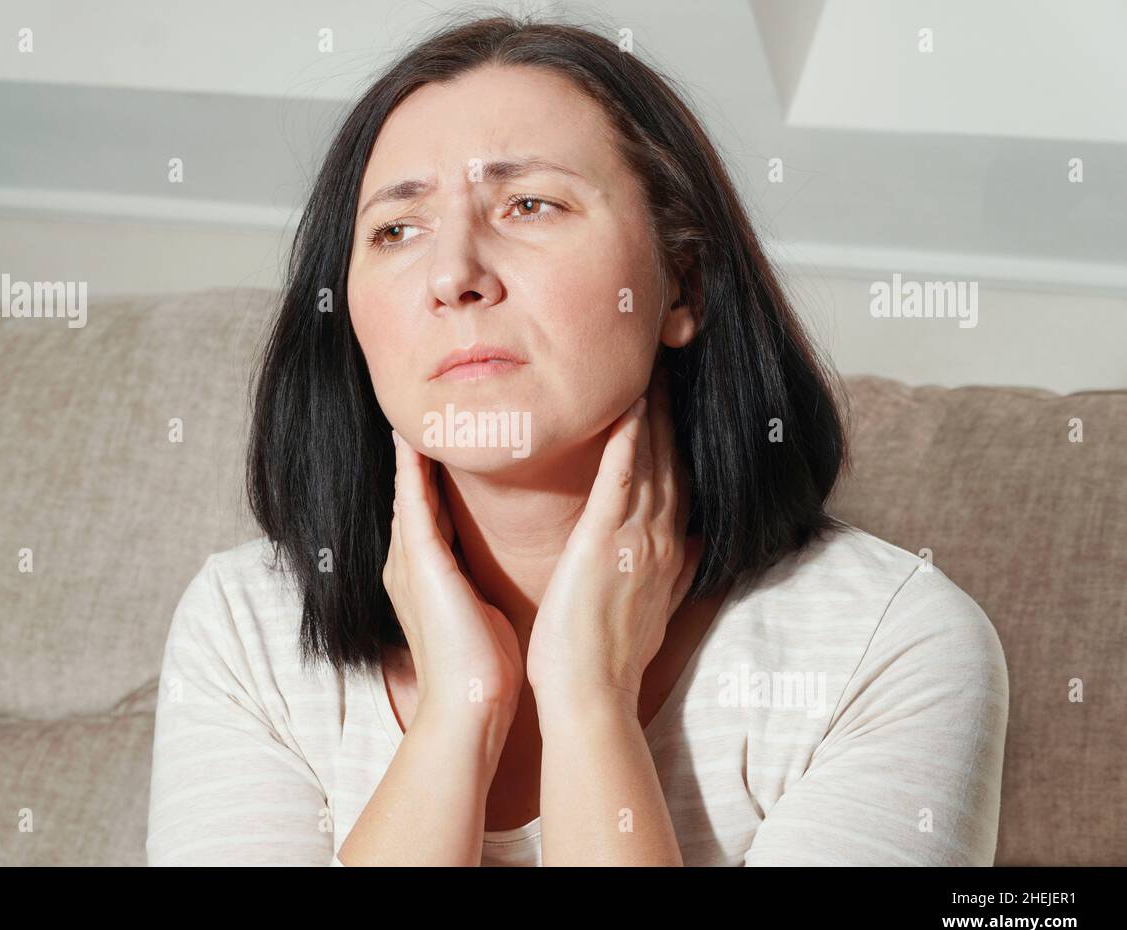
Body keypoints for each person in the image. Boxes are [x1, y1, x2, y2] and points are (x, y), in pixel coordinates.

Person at [146, 14, 1008, 866]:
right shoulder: (244, 627)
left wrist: (591, 699)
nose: (453, 275)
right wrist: (459, 713)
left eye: (529, 204)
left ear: (681, 286)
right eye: (396, 230)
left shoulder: (890, 645)